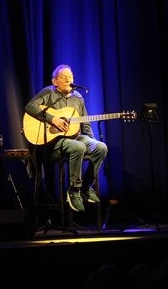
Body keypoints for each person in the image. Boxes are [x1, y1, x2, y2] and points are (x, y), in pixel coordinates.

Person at [24, 64, 108, 212]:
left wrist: (92, 141)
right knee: (78, 147)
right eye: (64, 77)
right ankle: (74, 190)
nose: (68, 80)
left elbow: (85, 123)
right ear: (54, 81)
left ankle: (85, 186)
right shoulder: (49, 92)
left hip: (75, 137)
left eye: (70, 77)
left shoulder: (78, 97)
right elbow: (30, 107)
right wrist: (52, 119)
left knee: (101, 147)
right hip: (53, 143)